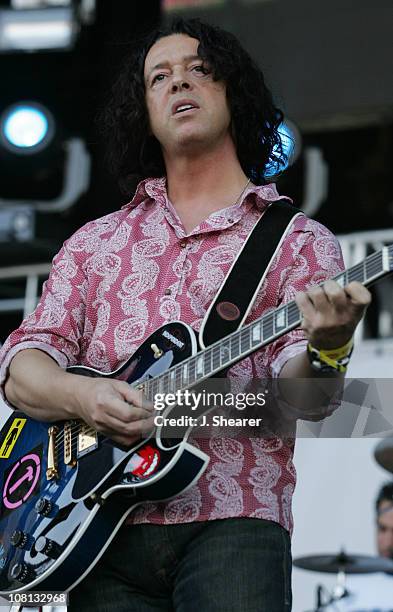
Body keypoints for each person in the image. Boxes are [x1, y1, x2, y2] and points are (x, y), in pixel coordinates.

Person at [0, 17, 371, 612]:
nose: (180, 84)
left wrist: (329, 348)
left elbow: (301, 404)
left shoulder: (300, 243)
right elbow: (22, 368)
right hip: (95, 533)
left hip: (233, 521)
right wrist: (84, 399)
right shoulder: (95, 242)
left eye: (201, 70)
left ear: (234, 93)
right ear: (143, 111)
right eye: (160, 77)